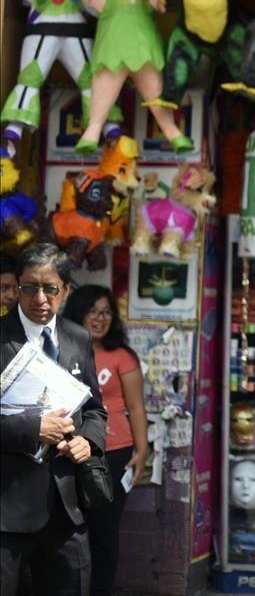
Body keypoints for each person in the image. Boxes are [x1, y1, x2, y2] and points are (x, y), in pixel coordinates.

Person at [0, 243, 107, 596]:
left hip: (66, 508)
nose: (40, 298)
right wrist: (33, 429)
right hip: (6, 509)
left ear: (66, 290)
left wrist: (87, 441)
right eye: (30, 287)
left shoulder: (77, 338)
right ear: (16, 287)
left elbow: (94, 409)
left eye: (51, 289)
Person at [61, 285, 149, 596]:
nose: (101, 318)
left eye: (107, 311)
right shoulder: (61, 347)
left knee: (105, 531)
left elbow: (136, 406)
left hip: (114, 454)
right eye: (93, 311)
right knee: (71, 530)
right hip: (67, 451)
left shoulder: (122, 355)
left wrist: (141, 451)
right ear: (78, 313)